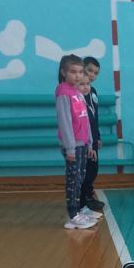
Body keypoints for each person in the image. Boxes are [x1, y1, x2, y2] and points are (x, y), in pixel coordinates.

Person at [56, 54, 97, 230]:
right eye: (73, 72)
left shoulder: (77, 92)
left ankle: (78, 211)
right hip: (73, 146)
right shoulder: (63, 92)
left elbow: (85, 119)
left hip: (82, 143)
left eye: (80, 72)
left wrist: (89, 142)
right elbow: (65, 122)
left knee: (80, 178)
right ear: (63, 72)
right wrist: (70, 148)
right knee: (73, 180)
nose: (78, 75)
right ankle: (73, 215)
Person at [79, 56, 105, 214]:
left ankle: (89, 195)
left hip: (93, 138)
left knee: (93, 169)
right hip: (83, 139)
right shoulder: (77, 92)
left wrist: (98, 136)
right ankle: (82, 200)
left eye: (96, 73)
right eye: (89, 70)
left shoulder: (92, 91)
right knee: (85, 171)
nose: (92, 75)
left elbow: (94, 117)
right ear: (82, 69)